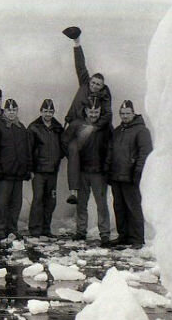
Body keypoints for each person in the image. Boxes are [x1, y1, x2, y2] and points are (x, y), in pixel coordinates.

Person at [62, 26, 112, 205]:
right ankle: (74, 190)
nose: (95, 85)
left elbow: (107, 116)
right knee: (72, 150)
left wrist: (94, 127)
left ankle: (78, 191)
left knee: (79, 152)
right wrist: (76, 43)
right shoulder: (84, 84)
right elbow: (80, 65)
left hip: (89, 130)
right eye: (94, 82)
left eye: (99, 84)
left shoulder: (104, 96)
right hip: (73, 125)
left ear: (102, 86)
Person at [104, 100, 153, 249]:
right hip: (116, 175)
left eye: (127, 113)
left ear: (133, 113)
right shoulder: (118, 131)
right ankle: (123, 235)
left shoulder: (141, 131)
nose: (125, 116)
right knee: (119, 207)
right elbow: (111, 151)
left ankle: (137, 238)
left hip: (130, 176)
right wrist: (108, 168)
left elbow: (144, 153)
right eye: (122, 114)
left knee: (133, 207)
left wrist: (137, 172)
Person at [63, 97, 112, 246]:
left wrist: (107, 165)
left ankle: (104, 233)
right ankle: (81, 231)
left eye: (96, 112)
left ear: (100, 111)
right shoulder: (77, 125)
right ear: (85, 110)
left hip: (99, 172)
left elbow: (111, 146)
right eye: (91, 111)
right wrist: (73, 157)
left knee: (101, 204)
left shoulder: (105, 127)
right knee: (81, 203)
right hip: (82, 171)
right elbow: (65, 141)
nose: (93, 115)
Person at [0, 99, 32, 240]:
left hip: (18, 173)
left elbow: (27, 150)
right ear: (4, 111)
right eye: (9, 110)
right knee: (1, 202)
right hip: (4, 174)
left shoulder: (21, 128)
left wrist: (27, 169)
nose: (11, 113)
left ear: (17, 111)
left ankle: (12, 228)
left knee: (16, 203)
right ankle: (0, 229)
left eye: (14, 110)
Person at [27, 99, 65, 238]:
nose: (48, 114)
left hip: (52, 171)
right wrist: (30, 169)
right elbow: (29, 150)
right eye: (45, 111)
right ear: (41, 111)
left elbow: (63, 146)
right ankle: (35, 229)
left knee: (51, 201)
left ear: (54, 112)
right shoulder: (34, 127)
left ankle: (45, 228)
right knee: (38, 199)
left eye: (50, 111)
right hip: (38, 171)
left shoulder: (57, 127)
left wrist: (57, 158)